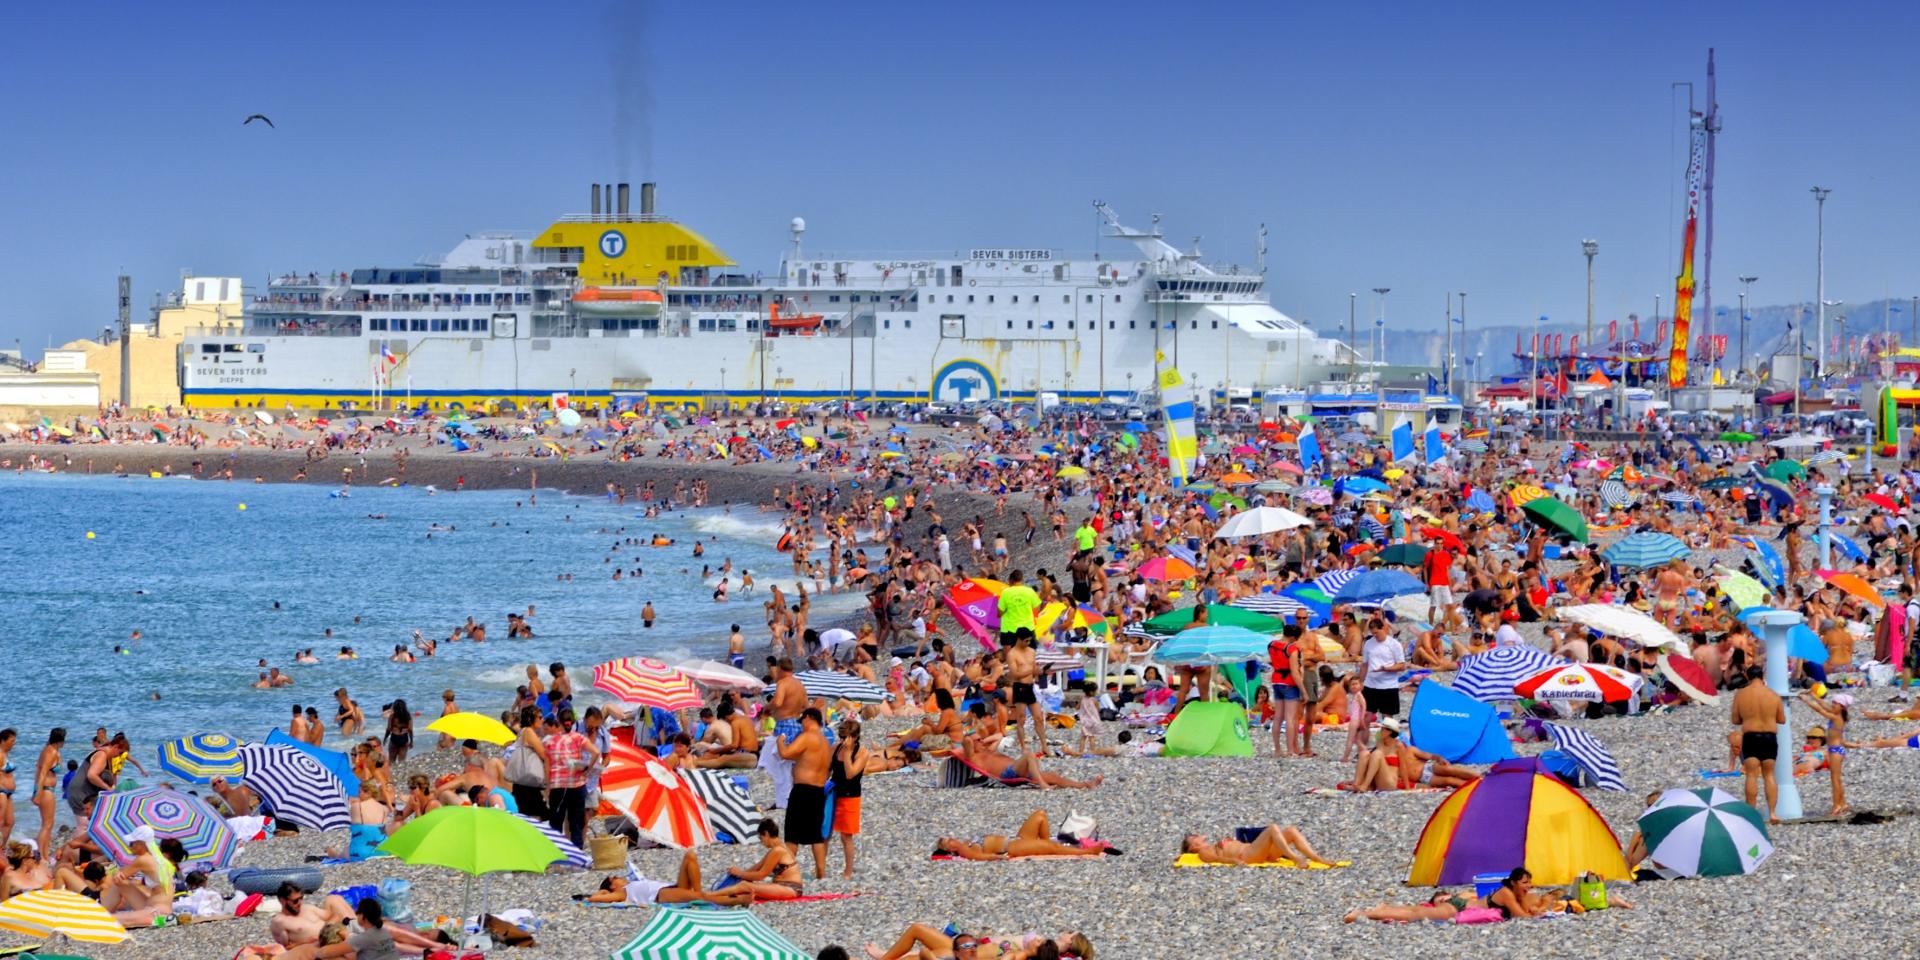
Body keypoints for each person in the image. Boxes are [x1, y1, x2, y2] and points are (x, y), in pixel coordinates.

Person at [579, 850, 754, 907]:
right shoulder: (621, 893)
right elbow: (595, 899)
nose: (619, 877)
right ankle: (738, 901)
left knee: (690, 855)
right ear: (612, 886)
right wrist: (599, 893)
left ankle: (701, 893)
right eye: (614, 878)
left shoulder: (632, 883)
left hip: (671, 887)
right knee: (701, 897)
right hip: (661, 895)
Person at [933, 809, 1114, 861]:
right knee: (1052, 848)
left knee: (1040, 815)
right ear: (949, 849)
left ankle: (1047, 845)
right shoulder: (964, 849)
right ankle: (1087, 853)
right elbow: (978, 857)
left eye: (948, 838)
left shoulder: (965, 842)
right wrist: (999, 858)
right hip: (1011, 847)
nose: (950, 839)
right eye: (947, 842)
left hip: (1016, 839)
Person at [779, 708, 833, 878]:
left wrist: (780, 740)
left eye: (802, 720)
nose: (801, 724)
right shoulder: (825, 742)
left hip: (803, 790)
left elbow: (786, 753)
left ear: (809, 718)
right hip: (818, 790)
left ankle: (785, 871)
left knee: (792, 834)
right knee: (815, 834)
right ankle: (821, 872)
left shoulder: (807, 736)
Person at [1730, 665, 1784, 822]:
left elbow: (1735, 719)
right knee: (1769, 775)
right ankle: (1773, 813)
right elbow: (1781, 719)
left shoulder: (1741, 694)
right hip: (1769, 737)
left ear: (1747, 676)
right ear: (1763, 675)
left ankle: (1751, 814)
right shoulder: (1773, 694)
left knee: (1751, 775)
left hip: (1751, 736)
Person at [956, 735, 1102, 790]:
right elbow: (967, 741)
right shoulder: (974, 756)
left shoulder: (987, 750)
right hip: (1007, 774)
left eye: (982, 739)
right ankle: (1042, 785)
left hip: (1019, 770)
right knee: (1029, 755)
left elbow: (999, 735)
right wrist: (971, 737)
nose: (982, 741)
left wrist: (981, 740)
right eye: (978, 740)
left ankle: (1085, 785)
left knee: (1054, 777)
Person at [543, 710, 599, 848]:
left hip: (558, 786)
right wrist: (587, 769)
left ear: (558, 722)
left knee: (556, 823)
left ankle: (556, 858)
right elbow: (596, 752)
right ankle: (577, 857)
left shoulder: (549, 741)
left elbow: (547, 766)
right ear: (573, 722)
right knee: (576, 823)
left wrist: (547, 788)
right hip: (577, 784)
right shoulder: (579, 738)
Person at [98, 827, 177, 926]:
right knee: (121, 885)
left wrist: (113, 869)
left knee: (110, 920)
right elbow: (121, 881)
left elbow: (117, 878)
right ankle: (102, 912)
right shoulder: (159, 859)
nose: (130, 847)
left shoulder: (143, 860)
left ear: (141, 844)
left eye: (132, 843)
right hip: (152, 905)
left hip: (158, 911)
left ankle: (101, 913)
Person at [865, 927, 1093, 960]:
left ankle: (884, 957)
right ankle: (885, 956)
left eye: (1039, 941)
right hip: (965, 948)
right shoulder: (1020, 950)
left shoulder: (1018, 956)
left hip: (961, 954)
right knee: (916, 929)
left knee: (919, 954)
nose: (1037, 938)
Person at [1798, 690, 1852, 817]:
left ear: (1842, 706)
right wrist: (1812, 695)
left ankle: (1836, 805)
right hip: (1836, 750)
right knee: (1837, 779)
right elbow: (1823, 705)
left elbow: (1820, 710)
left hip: (1835, 750)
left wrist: (1806, 700)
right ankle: (1842, 803)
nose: (1832, 705)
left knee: (1834, 779)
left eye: (1835, 703)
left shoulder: (1837, 717)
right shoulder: (1836, 714)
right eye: (1833, 702)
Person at [1179, 824, 1336, 867]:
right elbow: (1215, 860)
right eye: (1194, 838)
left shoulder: (1212, 844)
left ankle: (1317, 858)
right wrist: (1234, 862)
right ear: (1192, 847)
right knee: (1273, 828)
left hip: (1256, 852)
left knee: (1291, 830)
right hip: (1247, 856)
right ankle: (1295, 858)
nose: (1198, 836)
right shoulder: (1203, 852)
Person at [728, 819, 805, 901]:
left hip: (790, 888)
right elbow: (757, 867)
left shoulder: (777, 850)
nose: (761, 842)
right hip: (785, 887)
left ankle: (715, 896)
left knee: (745, 886)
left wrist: (740, 874)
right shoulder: (779, 848)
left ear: (766, 834)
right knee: (744, 887)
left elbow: (761, 875)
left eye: (761, 838)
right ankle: (720, 895)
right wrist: (739, 877)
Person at [830, 719, 867, 879]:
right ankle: (821, 868)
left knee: (846, 836)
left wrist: (847, 753)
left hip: (850, 796)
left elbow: (850, 774)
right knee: (825, 832)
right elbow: (827, 770)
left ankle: (848, 871)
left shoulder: (862, 752)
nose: (842, 740)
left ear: (854, 737)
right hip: (833, 792)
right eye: (841, 736)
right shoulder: (835, 748)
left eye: (845, 737)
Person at [1358, 618, 1407, 717]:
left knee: (1387, 718)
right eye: (1373, 634)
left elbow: (1402, 665)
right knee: (1366, 715)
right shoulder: (1368, 643)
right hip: (1370, 684)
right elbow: (1365, 665)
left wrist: (1386, 668)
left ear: (1383, 628)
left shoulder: (1394, 644)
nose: (1375, 636)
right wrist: (1360, 682)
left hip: (1388, 685)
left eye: (1376, 633)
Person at [506, 705, 549, 819]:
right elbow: (543, 754)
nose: (542, 719)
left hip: (522, 780)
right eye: (539, 717)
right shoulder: (529, 731)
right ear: (531, 719)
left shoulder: (522, 731)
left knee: (525, 812)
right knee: (536, 813)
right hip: (529, 780)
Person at [1344, 889, 1483, 924]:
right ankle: (1364, 914)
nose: (1442, 902)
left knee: (1417, 911)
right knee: (1415, 913)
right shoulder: (1464, 895)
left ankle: (1384, 910)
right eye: (1440, 900)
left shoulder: (1465, 894)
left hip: (1461, 904)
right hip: (1460, 905)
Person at [32, 728, 64, 860]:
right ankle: (40, 855)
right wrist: (37, 792)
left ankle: (44, 854)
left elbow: (37, 770)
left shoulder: (50, 750)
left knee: (48, 823)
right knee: (47, 824)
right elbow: (43, 772)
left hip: (46, 789)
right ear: (61, 739)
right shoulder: (50, 752)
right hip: (46, 789)